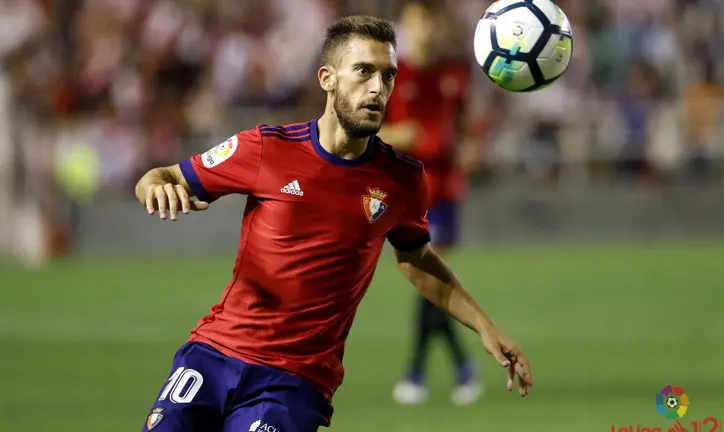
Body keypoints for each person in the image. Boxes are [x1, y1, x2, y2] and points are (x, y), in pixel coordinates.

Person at [134, 15, 531, 432]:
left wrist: (486, 328)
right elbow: (160, 176)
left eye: (388, 75)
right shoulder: (267, 148)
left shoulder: (402, 180)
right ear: (327, 78)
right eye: (364, 72)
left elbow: (417, 261)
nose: (379, 88)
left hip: (293, 382)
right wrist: (157, 188)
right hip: (213, 354)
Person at [378, 2, 482, 406]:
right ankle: (451, 367)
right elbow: (369, 131)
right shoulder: (391, 75)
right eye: (418, 22)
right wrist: (397, 135)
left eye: (431, 21)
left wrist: (467, 146)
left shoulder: (454, 72)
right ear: (405, 27)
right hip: (409, 192)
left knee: (431, 282)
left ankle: (421, 372)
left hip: (446, 191)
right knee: (429, 282)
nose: (427, 30)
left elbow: (462, 123)